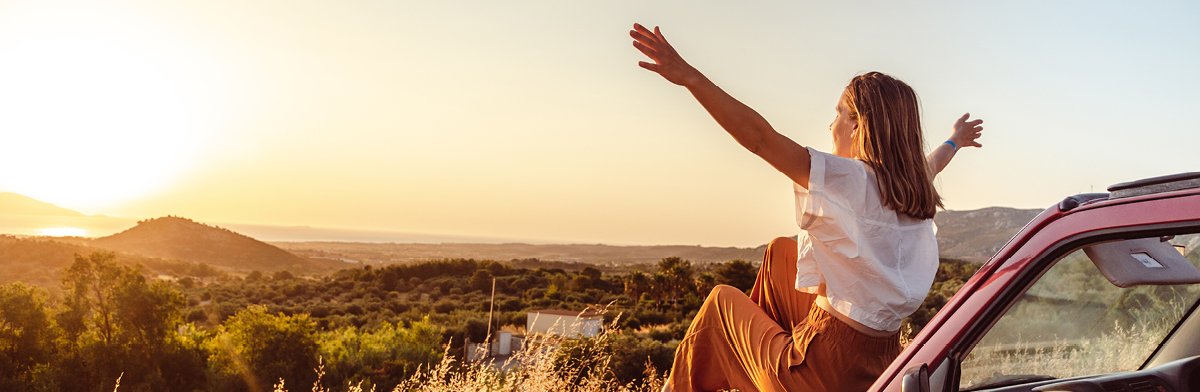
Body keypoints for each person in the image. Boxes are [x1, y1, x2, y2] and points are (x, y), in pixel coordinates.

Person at [629, 23, 984, 392]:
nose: (830, 125)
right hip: (879, 356)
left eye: (838, 114)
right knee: (781, 252)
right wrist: (954, 140)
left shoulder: (851, 178)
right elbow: (934, 162)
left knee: (720, 303)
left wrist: (690, 78)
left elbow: (760, 139)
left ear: (858, 125)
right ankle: (755, 361)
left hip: (819, 369)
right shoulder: (909, 183)